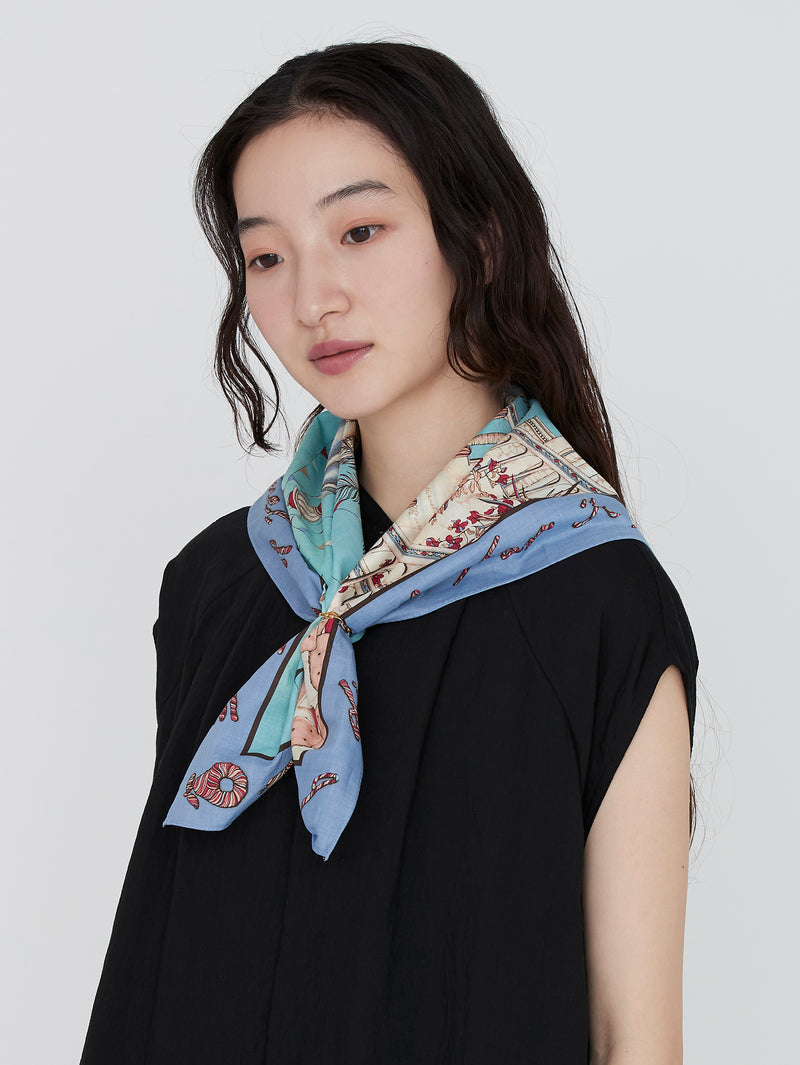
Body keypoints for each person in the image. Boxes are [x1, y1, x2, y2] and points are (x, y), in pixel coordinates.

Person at [81, 41, 697, 1064]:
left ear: (480, 237)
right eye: (266, 256)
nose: (311, 298)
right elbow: (170, 957)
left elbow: (629, 1033)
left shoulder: (597, 601)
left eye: (359, 231)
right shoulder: (217, 583)